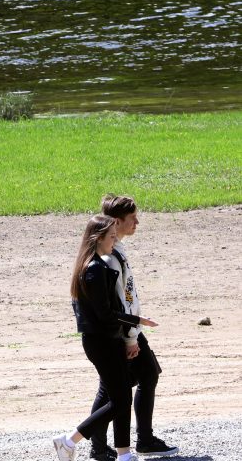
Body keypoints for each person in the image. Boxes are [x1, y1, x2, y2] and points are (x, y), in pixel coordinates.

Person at [53, 214, 159, 461]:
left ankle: (123, 454)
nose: (115, 240)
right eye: (111, 236)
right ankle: (69, 440)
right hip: (101, 342)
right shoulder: (94, 269)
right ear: (97, 238)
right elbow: (106, 314)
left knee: (121, 397)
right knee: (120, 400)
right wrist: (137, 321)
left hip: (107, 339)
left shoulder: (94, 265)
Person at [86, 196, 178, 460]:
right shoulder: (110, 257)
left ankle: (115, 443)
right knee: (123, 385)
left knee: (136, 378)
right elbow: (121, 301)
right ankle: (105, 444)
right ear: (116, 222)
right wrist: (130, 338)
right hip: (124, 331)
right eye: (132, 218)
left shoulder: (116, 250)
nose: (137, 222)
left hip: (128, 329)